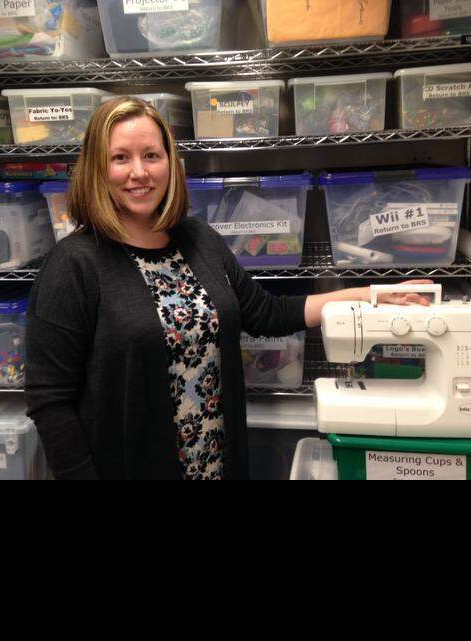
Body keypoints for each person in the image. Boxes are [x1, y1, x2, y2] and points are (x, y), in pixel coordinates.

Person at [25, 96, 431, 480]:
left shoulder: (197, 238)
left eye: (152, 155)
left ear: (170, 162)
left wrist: (368, 294)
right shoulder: (74, 263)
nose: (139, 172)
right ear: (98, 168)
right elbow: (50, 402)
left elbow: (266, 313)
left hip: (217, 463)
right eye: (120, 158)